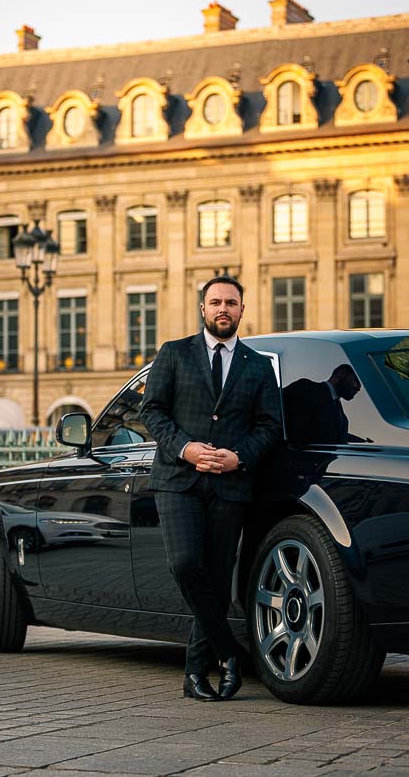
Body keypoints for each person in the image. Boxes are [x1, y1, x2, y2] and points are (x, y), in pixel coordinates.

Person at [140, 276, 281, 701]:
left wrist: (241, 456)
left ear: (242, 309)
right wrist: (185, 448)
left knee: (219, 583)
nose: (224, 308)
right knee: (185, 564)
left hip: (231, 484)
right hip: (178, 481)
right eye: (216, 301)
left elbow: (269, 426)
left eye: (231, 302)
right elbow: (152, 411)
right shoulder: (174, 353)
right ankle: (230, 652)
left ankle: (195, 673)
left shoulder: (258, 365)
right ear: (203, 308)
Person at [283, 364, 362, 446]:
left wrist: (362, 443)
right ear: (341, 373)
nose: (359, 388)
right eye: (356, 381)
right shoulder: (306, 388)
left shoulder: (343, 418)